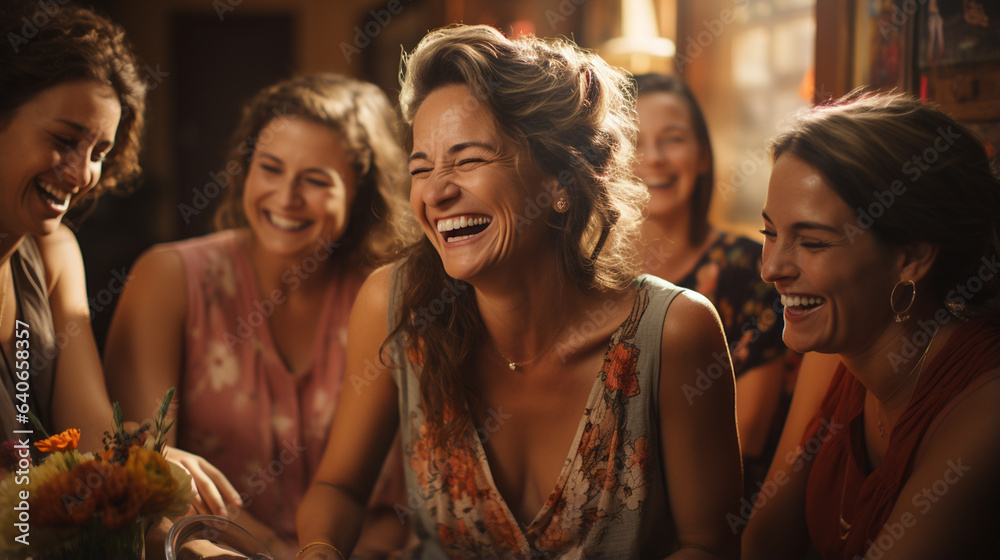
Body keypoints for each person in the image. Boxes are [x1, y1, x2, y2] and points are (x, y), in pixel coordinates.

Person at [297, 24, 742, 560]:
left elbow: (709, 545)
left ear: (559, 183)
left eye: (468, 160)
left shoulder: (674, 333)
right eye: (421, 168)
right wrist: (318, 551)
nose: (436, 191)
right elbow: (338, 488)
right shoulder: (395, 306)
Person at [104, 73, 412, 558]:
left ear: (360, 192)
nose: (287, 197)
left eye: (315, 180)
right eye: (270, 168)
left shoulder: (388, 298)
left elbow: (402, 506)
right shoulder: (167, 279)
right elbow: (150, 474)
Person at [0, 0, 240, 518]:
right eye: (65, 141)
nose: (83, 173)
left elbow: (89, 439)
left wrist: (149, 459)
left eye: (99, 152)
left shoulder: (54, 252)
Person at [742, 91, 1000, 559]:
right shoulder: (837, 347)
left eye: (813, 242)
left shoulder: (985, 409)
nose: (771, 268)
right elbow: (764, 541)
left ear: (912, 257)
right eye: (770, 234)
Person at [633, 73, 788, 492]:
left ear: (703, 154)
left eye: (673, 138)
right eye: (635, 141)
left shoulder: (750, 269)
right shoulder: (584, 269)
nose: (654, 157)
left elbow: (748, 436)